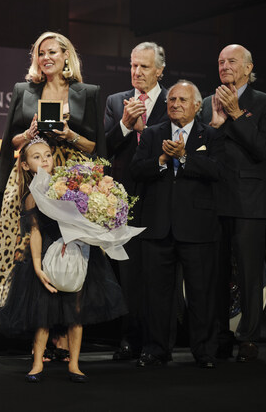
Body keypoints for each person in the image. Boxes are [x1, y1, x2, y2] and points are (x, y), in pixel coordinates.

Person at [0, 31, 106, 309]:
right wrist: (29, 133)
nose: (46, 58)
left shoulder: (87, 93)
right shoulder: (24, 90)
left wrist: (69, 135)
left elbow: (96, 147)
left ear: (66, 55)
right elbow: (11, 141)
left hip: (73, 182)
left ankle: (67, 328)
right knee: (29, 243)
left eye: (52, 52)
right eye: (41, 53)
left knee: (70, 247)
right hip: (32, 176)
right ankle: (37, 324)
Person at [0, 137, 126, 382]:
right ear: (25, 165)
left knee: (76, 313)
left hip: (77, 251)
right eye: (37, 157)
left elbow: (86, 213)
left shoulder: (69, 185)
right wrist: (36, 266)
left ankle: (75, 364)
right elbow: (34, 231)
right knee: (43, 314)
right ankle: (37, 364)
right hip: (48, 255)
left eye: (47, 155)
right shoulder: (31, 196)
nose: (44, 160)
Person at [130, 80, 224, 369]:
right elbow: (136, 170)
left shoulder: (210, 135)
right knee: (156, 294)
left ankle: (205, 351)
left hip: (197, 227)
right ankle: (156, 350)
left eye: (183, 100)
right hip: (157, 226)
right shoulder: (152, 134)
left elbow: (218, 171)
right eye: (171, 99)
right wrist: (161, 159)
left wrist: (184, 158)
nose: (175, 104)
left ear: (197, 106)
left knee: (201, 294)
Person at [199, 44, 266, 362]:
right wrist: (214, 124)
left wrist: (236, 114)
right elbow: (199, 146)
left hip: (249, 201)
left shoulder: (265, 103)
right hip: (213, 198)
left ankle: (248, 338)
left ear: (248, 68)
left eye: (232, 61)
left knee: (248, 274)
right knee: (216, 274)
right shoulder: (206, 104)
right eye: (220, 61)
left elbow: (265, 149)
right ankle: (220, 336)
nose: (225, 66)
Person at [104, 41, 169, 361]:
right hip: (125, 198)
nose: (137, 72)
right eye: (133, 66)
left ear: (159, 70)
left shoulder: (174, 100)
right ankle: (128, 338)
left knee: (156, 274)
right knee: (127, 273)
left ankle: (155, 340)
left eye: (144, 67)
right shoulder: (117, 102)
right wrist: (125, 126)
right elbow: (104, 148)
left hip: (161, 196)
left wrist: (149, 130)